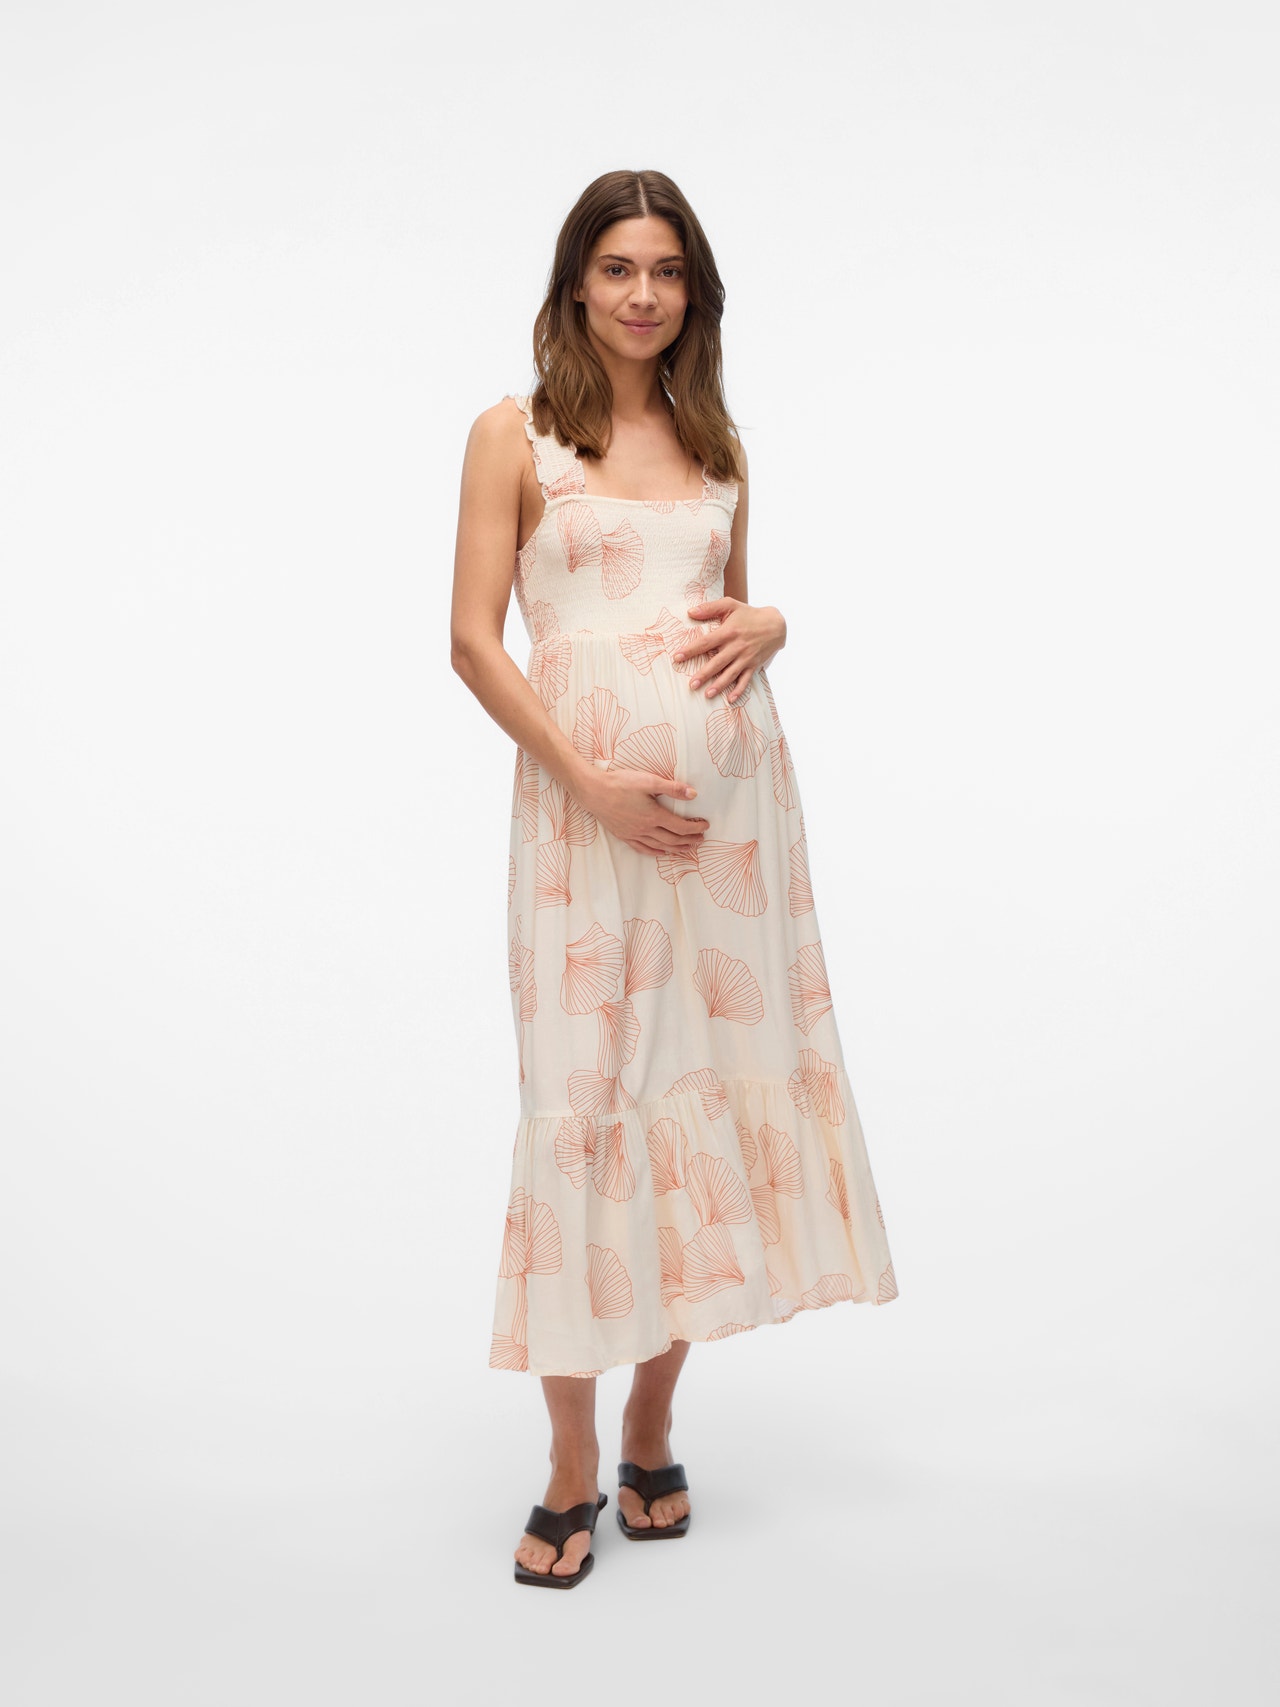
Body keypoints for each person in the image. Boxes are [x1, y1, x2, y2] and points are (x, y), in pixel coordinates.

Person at [450, 169, 898, 1588]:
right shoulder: (515, 434)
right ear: (575, 283)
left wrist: (779, 622)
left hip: (729, 835)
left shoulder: (717, 442)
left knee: (695, 1101)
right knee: (584, 1108)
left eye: (667, 271)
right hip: (582, 827)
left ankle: (650, 1421)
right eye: (618, 268)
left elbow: (731, 614)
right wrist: (585, 780)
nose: (643, 294)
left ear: (693, 292)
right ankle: (571, 1459)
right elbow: (472, 641)